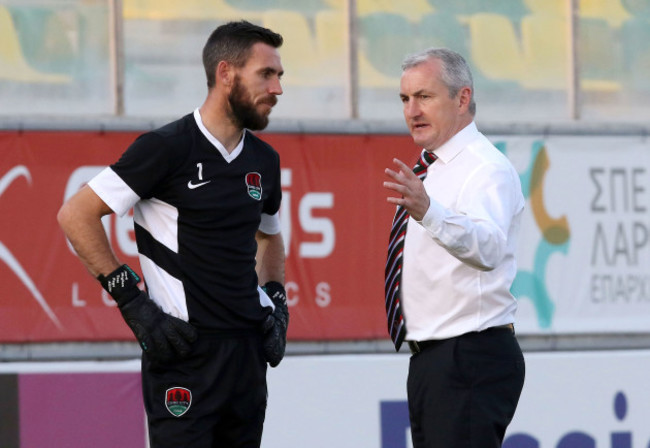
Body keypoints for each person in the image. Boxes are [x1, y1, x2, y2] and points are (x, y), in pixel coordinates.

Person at [57, 20, 289, 448]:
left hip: (247, 357)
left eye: (279, 76)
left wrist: (276, 297)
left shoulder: (265, 161)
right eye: (266, 74)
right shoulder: (166, 148)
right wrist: (132, 302)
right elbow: (76, 215)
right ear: (225, 74)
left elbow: (269, 237)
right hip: (184, 353)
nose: (277, 88)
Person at [383, 48, 526, 447]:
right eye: (405, 99)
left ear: (462, 99)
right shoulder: (430, 167)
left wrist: (429, 210)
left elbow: (489, 248)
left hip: (469, 355)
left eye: (424, 97)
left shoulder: (485, 168)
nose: (412, 110)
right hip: (436, 359)